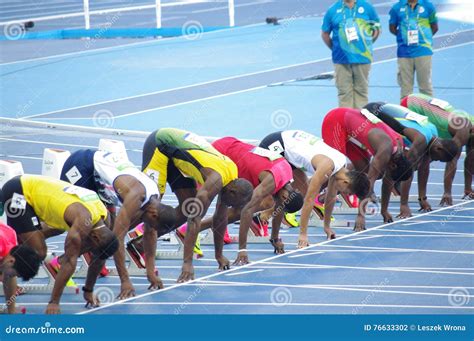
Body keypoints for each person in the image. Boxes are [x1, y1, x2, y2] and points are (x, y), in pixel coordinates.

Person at [59, 149, 177, 299]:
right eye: (154, 225)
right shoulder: (136, 197)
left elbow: (150, 233)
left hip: (101, 179)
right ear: (154, 214)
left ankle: (69, 263)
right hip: (81, 165)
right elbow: (117, 239)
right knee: (92, 231)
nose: (150, 229)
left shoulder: (154, 202)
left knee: (104, 236)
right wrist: (125, 280)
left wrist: (150, 271)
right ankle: (60, 262)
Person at [142, 128, 253, 282]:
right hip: (160, 145)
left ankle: (140, 243)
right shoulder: (215, 182)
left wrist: (218, 255)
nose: (231, 207)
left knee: (186, 209)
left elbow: (220, 219)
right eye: (234, 204)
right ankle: (141, 252)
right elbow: (194, 221)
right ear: (232, 193)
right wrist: (187, 263)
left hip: (176, 156)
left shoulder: (231, 179)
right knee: (151, 206)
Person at [1, 175, 119, 314]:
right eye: (91, 248)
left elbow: (99, 259)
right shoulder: (81, 225)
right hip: (18, 192)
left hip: (40, 194)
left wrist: (88, 290)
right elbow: (69, 261)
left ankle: (22, 239)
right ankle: (5, 270)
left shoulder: (104, 224)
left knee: (54, 231)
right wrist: (54, 302)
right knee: (38, 252)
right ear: (95, 237)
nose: (89, 251)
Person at [259, 130, 370, 247]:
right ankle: (262, 224)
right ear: (346, 181)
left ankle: (270, 229)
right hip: (275, 146)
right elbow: (309, 200)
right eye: (345, 191)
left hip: (290, 149)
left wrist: (326, 227)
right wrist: (303, 235)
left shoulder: (341, 165)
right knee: (281, 196)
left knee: (299, 193)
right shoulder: (326, 168)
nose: (342, 192)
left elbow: (331, 197)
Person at [211, 137, 303, 264]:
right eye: (281, 206)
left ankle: (210, 227)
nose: (279, 210)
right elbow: (247, 210)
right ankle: (190, 229)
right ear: (285, 197)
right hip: (222, 153)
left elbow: (279, 207)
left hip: (233, 145)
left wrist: (275, 238)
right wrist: (242, 250)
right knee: (225, 202)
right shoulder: (271, 181)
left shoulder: (287, 178)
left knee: (264, 202)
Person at [322, 108, 414, 230]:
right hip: (336, 121)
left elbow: (388, 182)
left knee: (362, 169)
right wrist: (361, 216)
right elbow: (368, 183)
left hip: (351, 128)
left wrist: (384, 210)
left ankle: (341, 190)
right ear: (393, 165)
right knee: (336, 170)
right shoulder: (385, 152)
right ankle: (319, 199)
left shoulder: (399, 149)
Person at [364, 102, 458, 217]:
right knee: (386, 169)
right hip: (372, 113)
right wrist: (403, 205)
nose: (435, 160)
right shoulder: (421, 141)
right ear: (439, 149)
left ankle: (365, 181)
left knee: (403, 165)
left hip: (379, 108)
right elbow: (404, 172)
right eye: (438, 159)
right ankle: (354, 182)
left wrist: (422, 198)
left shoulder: (433, 134)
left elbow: (424, 168)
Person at [401, 93, 474, 204]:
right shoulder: (463, 130)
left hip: (423, 105)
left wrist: (468, 189)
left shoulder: (468, 129)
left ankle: (414, 192)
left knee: (425, 158)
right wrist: (447, 192)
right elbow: (452, 160)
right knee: (419, 158)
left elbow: (470, 161)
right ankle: (398, 183)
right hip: (412, 106)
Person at [322, 0, 380, 108]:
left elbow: (376, 29)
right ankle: (347, 123)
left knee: (361, 92)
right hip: (341, 59)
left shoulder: (367, 7)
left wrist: (367, 45)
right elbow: (325, 33)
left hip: (362, 58)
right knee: (344, 93)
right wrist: (335, 49)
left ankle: (360, 123)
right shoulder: (332, 10)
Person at [389, 0, 438, 99]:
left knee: (425, 88)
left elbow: (434, 27)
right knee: (406, 90)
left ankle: (428, 114)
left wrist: (424, 40)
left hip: (423, 51)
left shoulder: (428, 6)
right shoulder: (396, 7)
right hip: (404, 53)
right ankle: (405, 114)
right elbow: (392, 27)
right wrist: (403, 38)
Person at [0, 219, 41, 314]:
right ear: (11, 261)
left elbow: (9, 277)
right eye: (15, 274)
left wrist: (11, 311)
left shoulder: (12, 236)